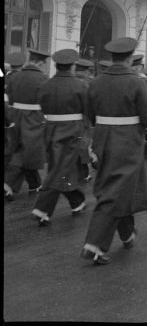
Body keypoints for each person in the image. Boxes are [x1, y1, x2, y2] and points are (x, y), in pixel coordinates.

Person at [81, 37, 147, 265]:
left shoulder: (95, 82)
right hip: (127, 141)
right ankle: (94, 244)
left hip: (103, 138)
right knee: (115, 189)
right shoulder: (136, 82)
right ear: (129, 57)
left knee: (121, 185)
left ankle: (126, 232)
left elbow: (90, 114)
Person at [32, 49, 89, 226]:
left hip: (51, 129)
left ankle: (76, 201)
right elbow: (88, 110)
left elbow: (42, 105)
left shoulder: (45, 84)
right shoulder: (80, 85)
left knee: (60, 167)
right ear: (72, 66)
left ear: (56, 65)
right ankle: (43, 209)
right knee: (61, 169)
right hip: (72, 130)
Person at [4, 48, 50, 201]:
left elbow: (9, 97)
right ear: (40, 62)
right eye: (44, 63)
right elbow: (46, 101)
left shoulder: (14, 77)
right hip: (34, 118)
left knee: (20, 148)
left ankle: (34, 184)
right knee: (27, 151)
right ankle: (8, 183)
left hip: (15, 115)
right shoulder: (43, 79)